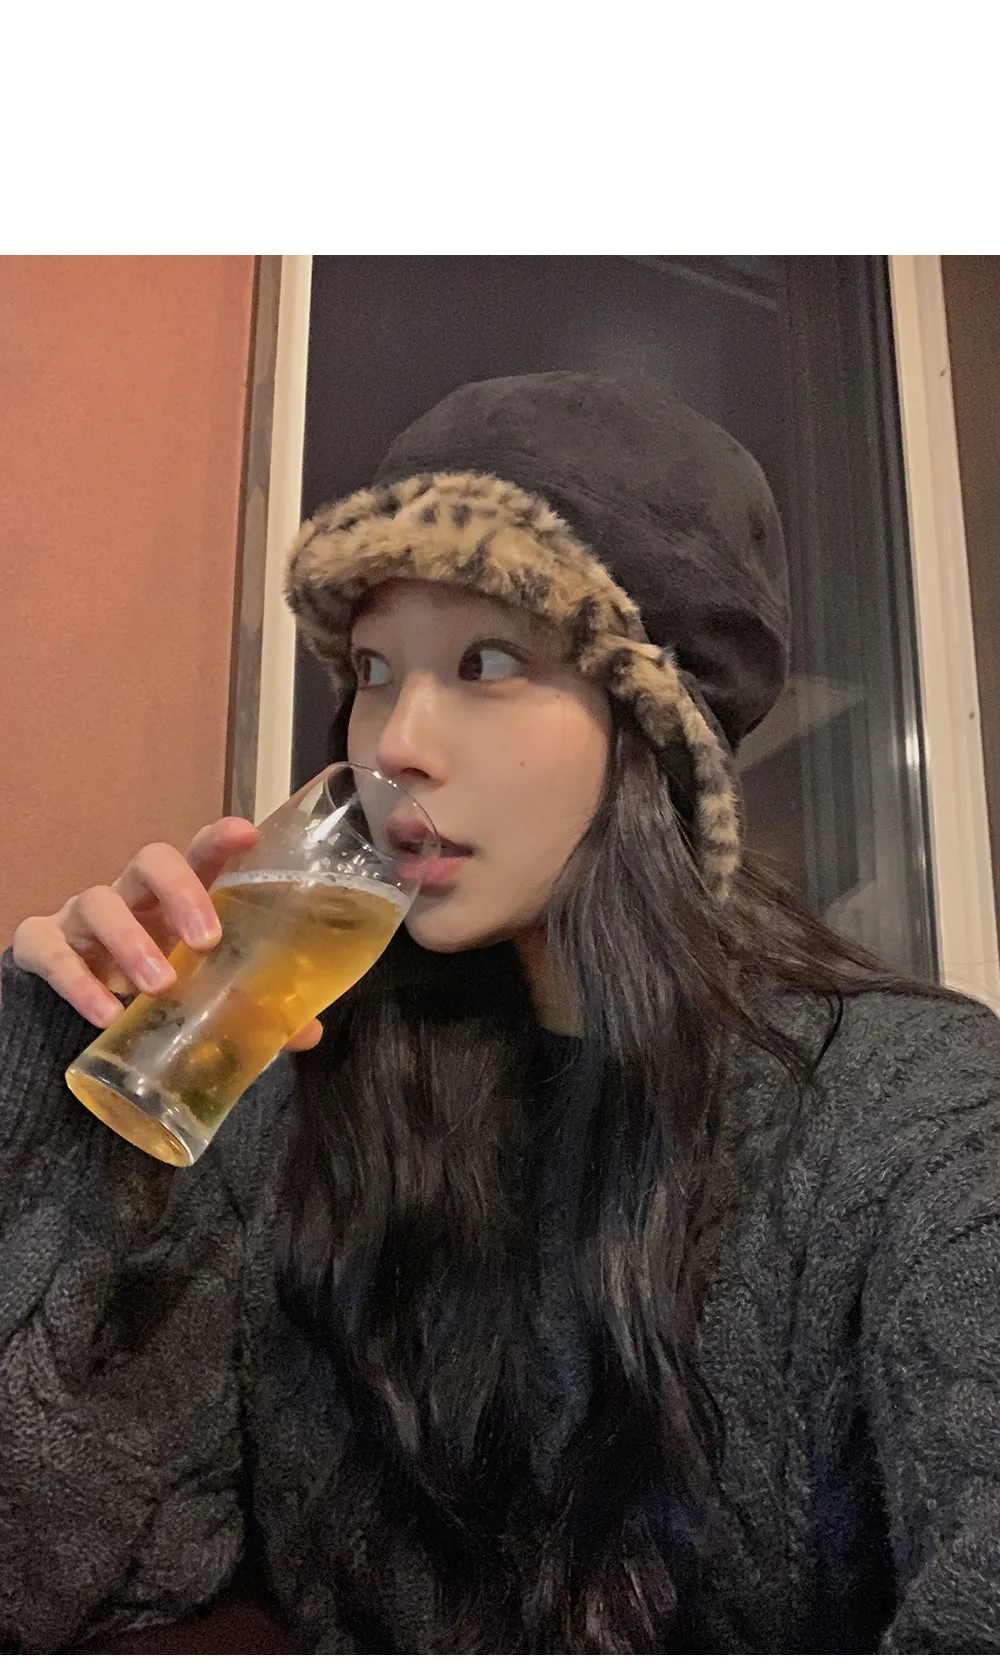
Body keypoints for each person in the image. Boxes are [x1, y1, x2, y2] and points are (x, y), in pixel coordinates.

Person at [4, 371, 1000, 1656]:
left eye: (487, 662)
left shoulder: (916, 1121)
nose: (395, 741)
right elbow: (61, 1575)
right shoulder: (304, 1097)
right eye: (373, 669)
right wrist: (62, 1110)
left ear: (656, 731)